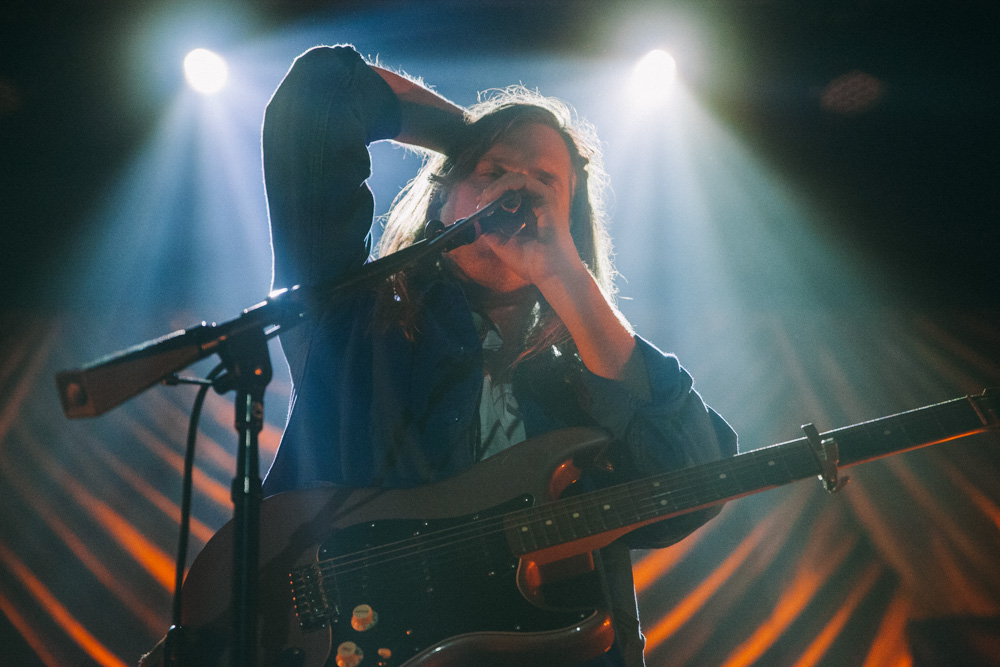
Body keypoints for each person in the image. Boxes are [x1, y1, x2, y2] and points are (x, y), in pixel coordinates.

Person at [142, 44, 737, 667]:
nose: (516, 190)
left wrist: (565, 274)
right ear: (440, 201)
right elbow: (321, 93)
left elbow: (694, 482)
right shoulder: (351, 319)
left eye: (543, 183)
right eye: (493, 173)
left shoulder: (588, 383)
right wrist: (470, 138)